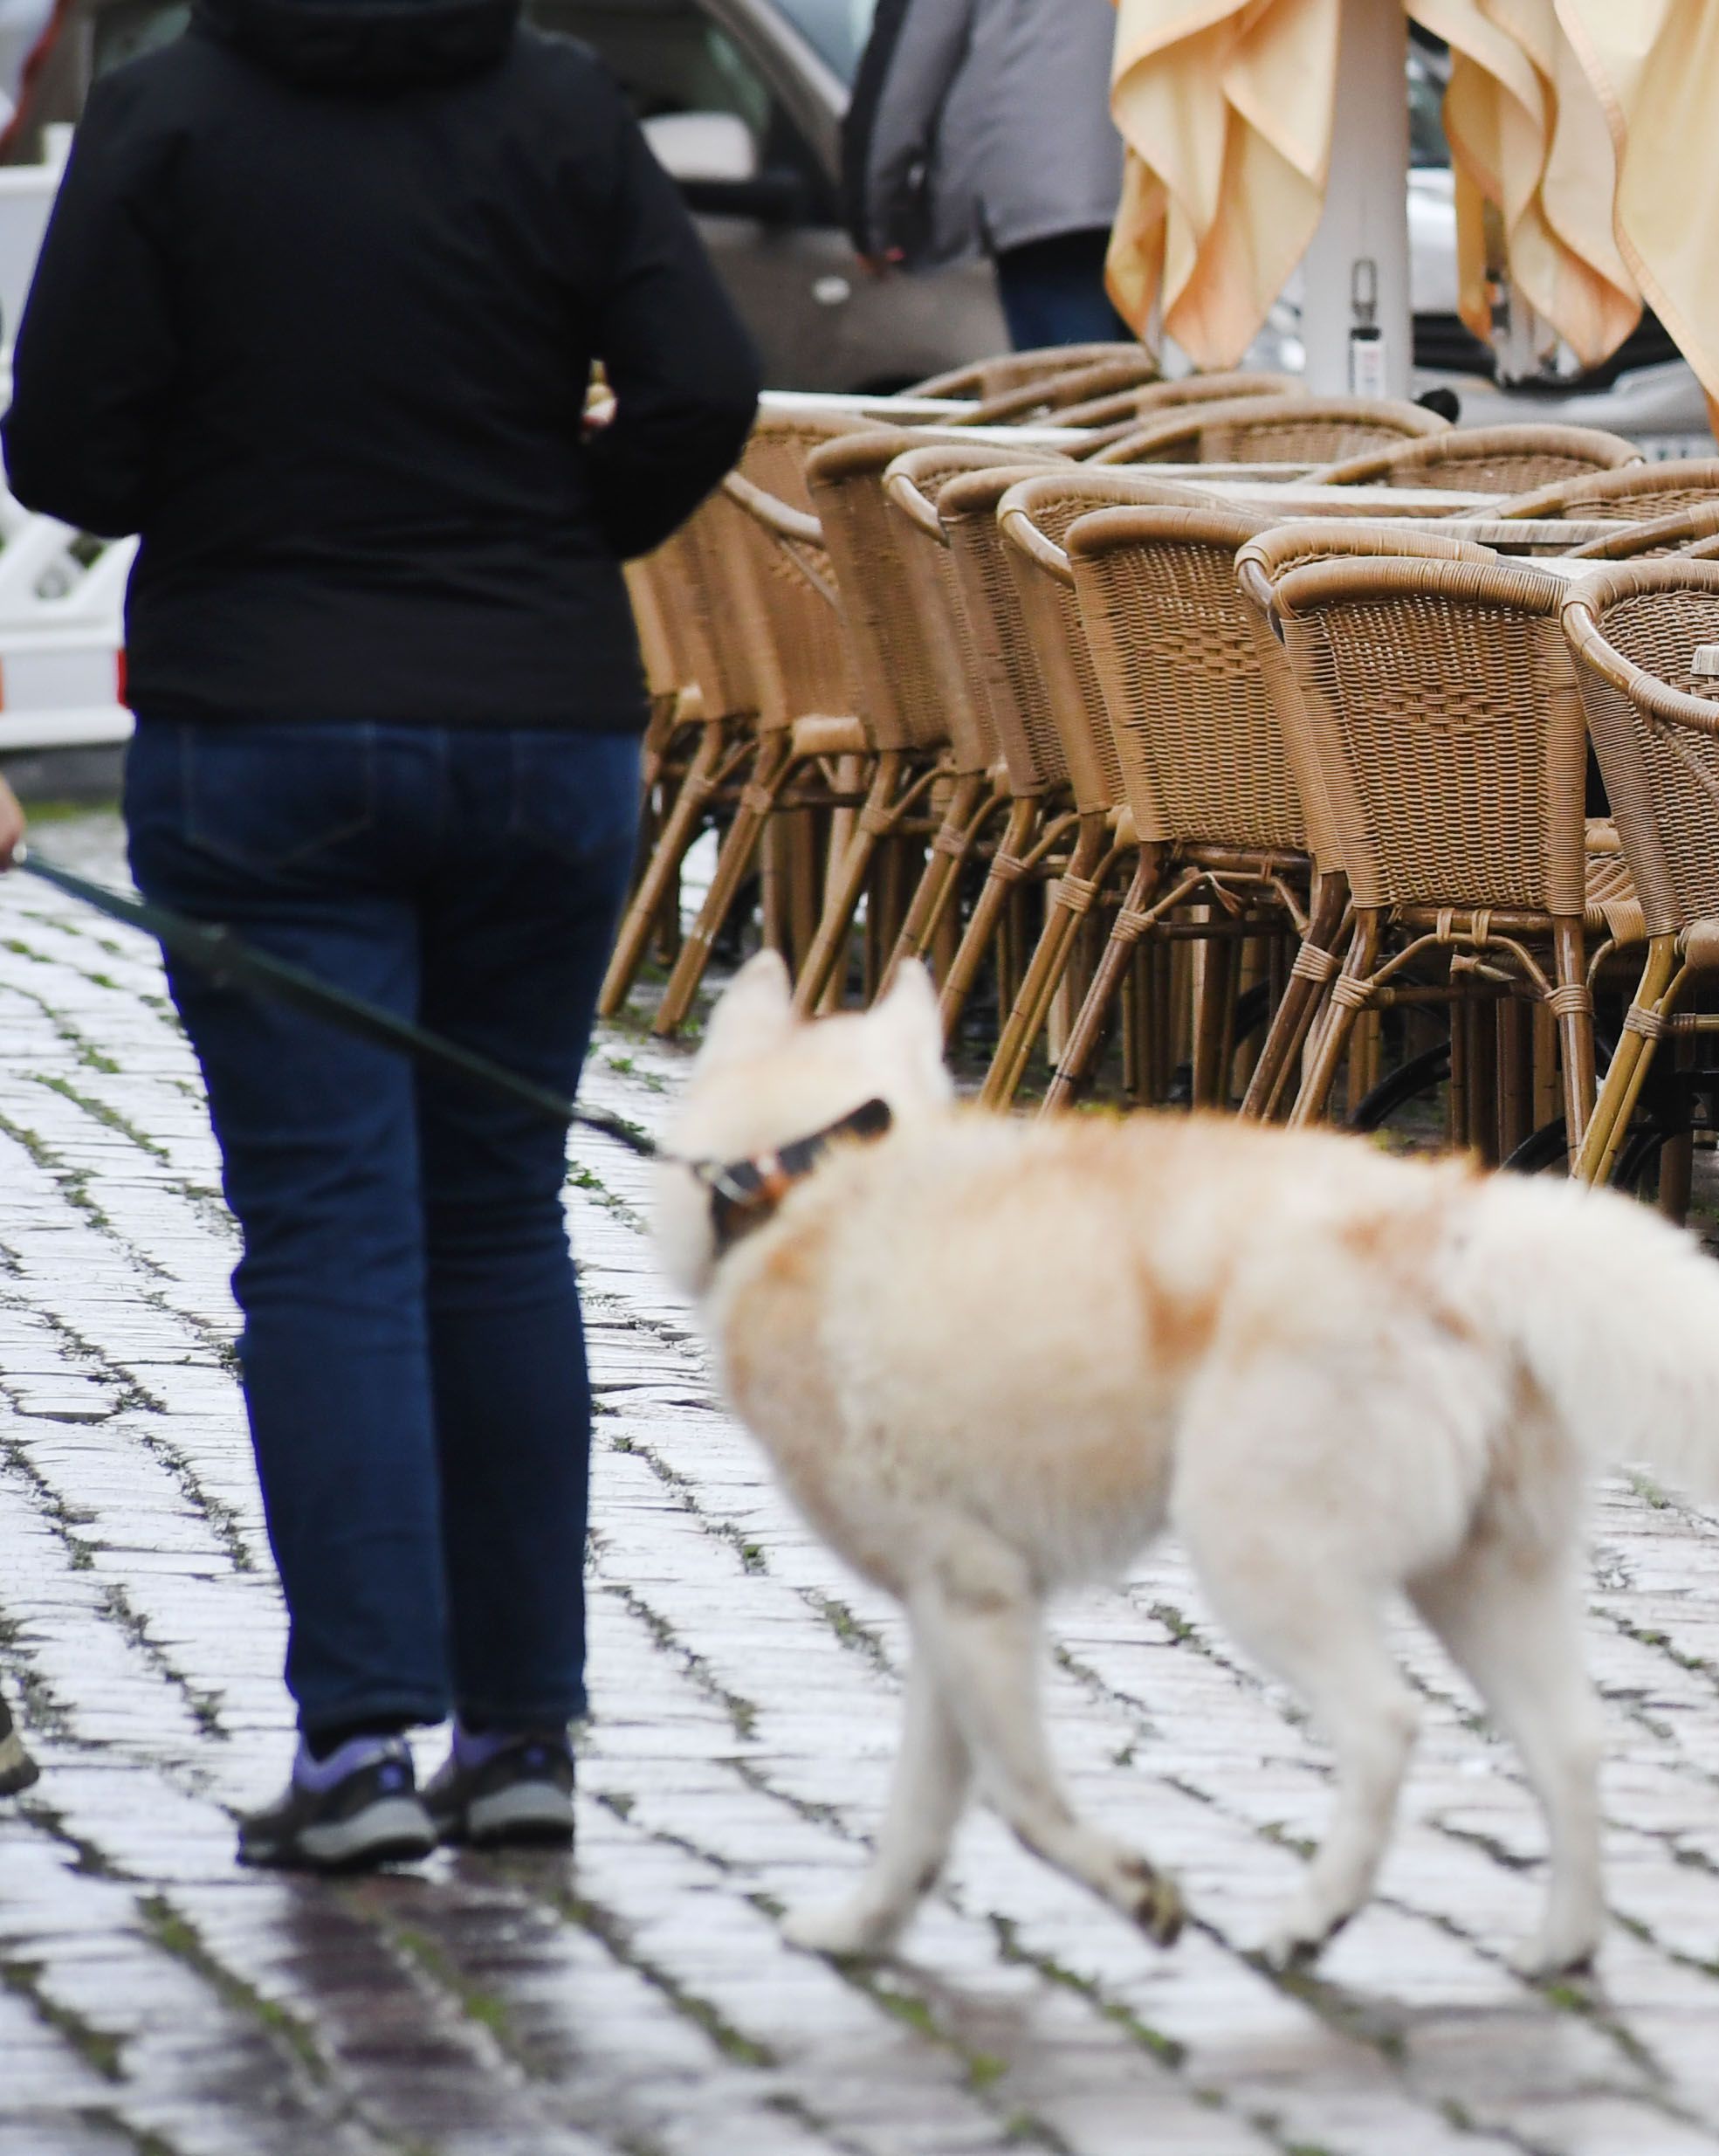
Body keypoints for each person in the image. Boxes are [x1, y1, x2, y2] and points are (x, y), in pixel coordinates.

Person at [5, 0, 758, 1869]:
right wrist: (543, 523)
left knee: (330, 1220)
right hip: (533, 721)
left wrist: (243, 488)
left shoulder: (170, 111)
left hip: (262, 723)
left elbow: (68, 449)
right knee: (496, 1214)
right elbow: (701, 393)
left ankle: (355, 1745)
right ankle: (518, 1733)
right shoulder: (566, 108)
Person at [848, 0, 1132, 351]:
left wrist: (873, 225)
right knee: (1142, 385)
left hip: (1040, 202)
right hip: (1156, 185)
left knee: (1073, 387)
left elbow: (905, 71)